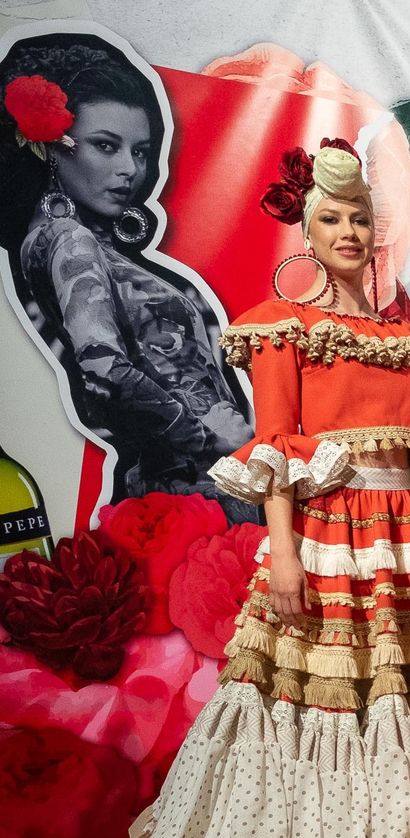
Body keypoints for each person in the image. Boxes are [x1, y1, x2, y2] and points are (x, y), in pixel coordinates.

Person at [119, 138, 410, 838]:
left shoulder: (405, 334)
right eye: (332, 218)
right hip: (325, 536)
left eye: (360, 217)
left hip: (399, 546)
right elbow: (275, 452)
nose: (349, 232)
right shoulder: (283, 328)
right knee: (315, 704)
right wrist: (283, 551)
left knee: (395, 698)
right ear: (309, 233)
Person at [0, 33, 253, 520]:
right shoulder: (69, 240)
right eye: (105, 146)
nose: (128, 170)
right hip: (187, 488)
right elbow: (100, 366)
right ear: (54, 149)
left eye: (139, 151)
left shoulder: (71, 242)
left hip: (198, 482)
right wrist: (201, 432)